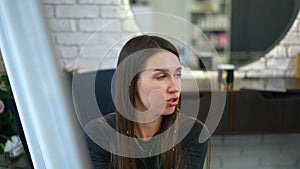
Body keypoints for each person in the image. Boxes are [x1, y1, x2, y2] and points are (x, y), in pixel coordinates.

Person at [84, 35, 209, 169]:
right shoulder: (98, 135)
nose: (175, 87)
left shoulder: (193, 133)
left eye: (177, 75)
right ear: (131, 82)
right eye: (161, 77)